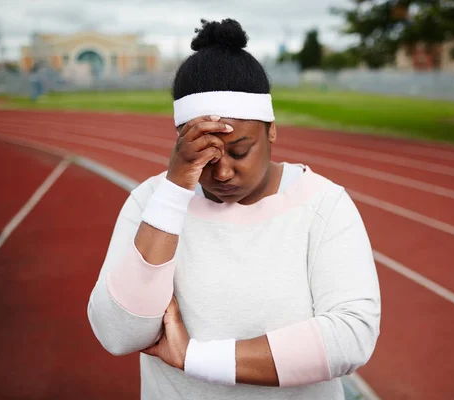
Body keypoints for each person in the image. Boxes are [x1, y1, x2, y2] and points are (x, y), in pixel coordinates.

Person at [87, 18, 381, 400]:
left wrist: (195, 358)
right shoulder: (151, 202)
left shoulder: (322, 205)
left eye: (240, 151)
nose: (223, 172)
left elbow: (351, 336)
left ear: (271, 129)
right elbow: (119, 334)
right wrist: (174, 191)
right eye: (204, 157)